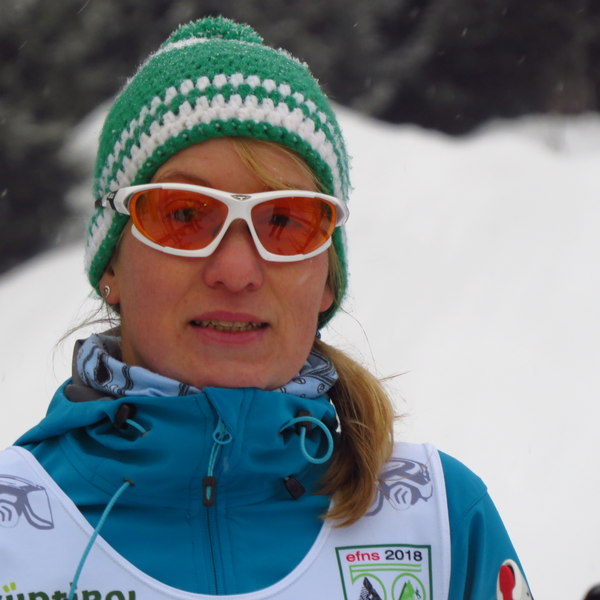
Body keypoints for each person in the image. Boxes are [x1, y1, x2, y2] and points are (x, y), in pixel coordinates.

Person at [0, 16, 532, 600]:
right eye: (183, 214)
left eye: (286, 221)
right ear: (111, 264)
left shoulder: (438, 522)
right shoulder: (12, 528)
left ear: (326, 281)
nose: (236, 271)